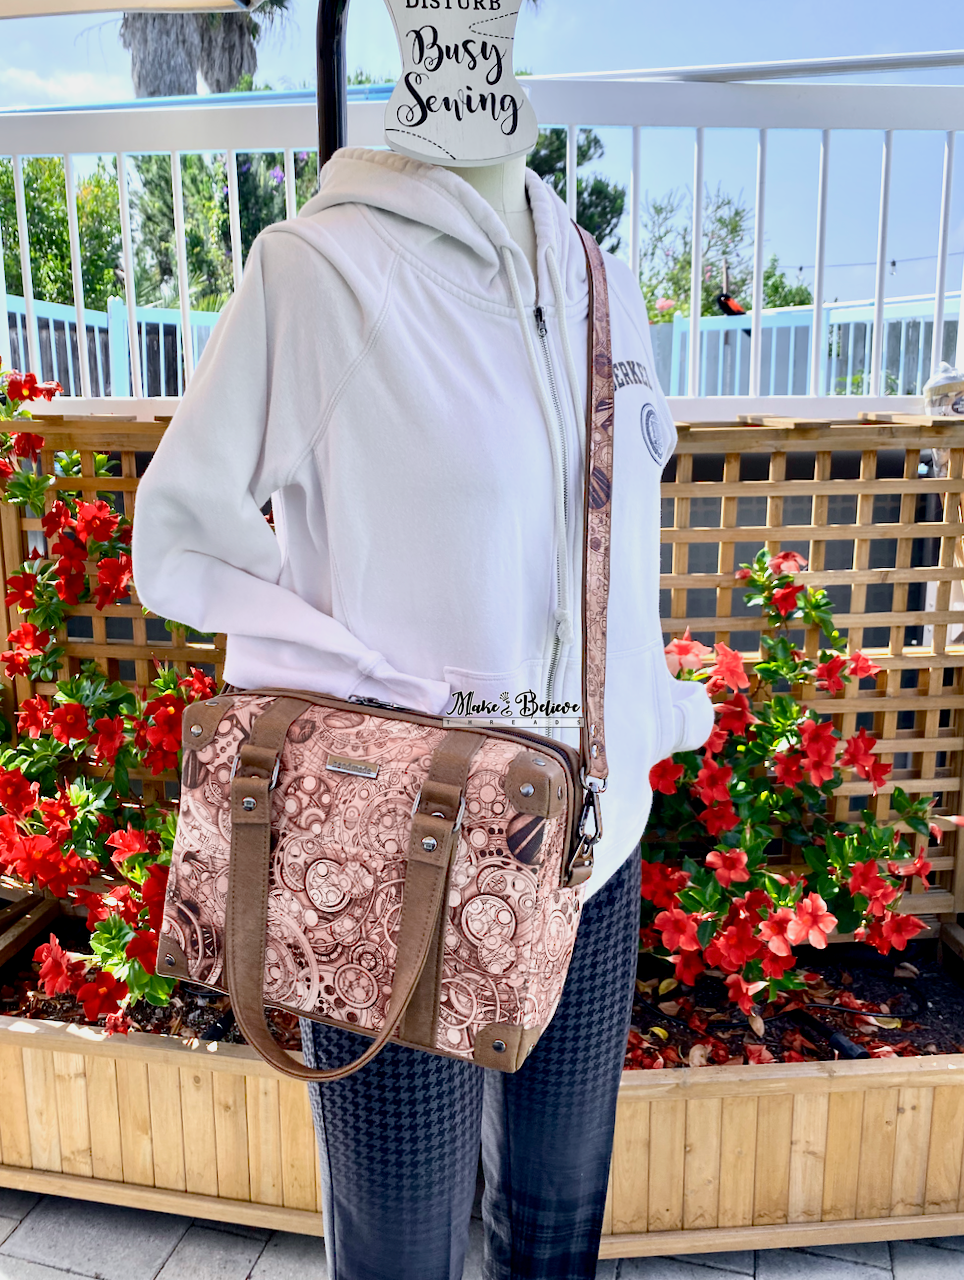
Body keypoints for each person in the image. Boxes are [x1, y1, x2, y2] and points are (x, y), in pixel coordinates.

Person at [132, 141, 713, 1280]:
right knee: (402, 1245)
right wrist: (371, 691)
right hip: (403, 853)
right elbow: (184, 531)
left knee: (555, 1231)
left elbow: (615, 554)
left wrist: (651, 717)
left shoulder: (600, 281)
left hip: (591, 841)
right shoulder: (318, 272)